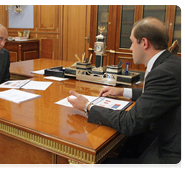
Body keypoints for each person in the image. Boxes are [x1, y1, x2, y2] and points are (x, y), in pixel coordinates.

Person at [67, 17, 183, 168]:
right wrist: (122, 91)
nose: (130, 48)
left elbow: (130, 123)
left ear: (144, 43)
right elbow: (156, 95)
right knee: (130, 143)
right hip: (168, 137)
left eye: (132, 42)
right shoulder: (173, 62)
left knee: (99, 164)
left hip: (172, 155)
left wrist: (88, 107)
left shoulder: (163, 72)